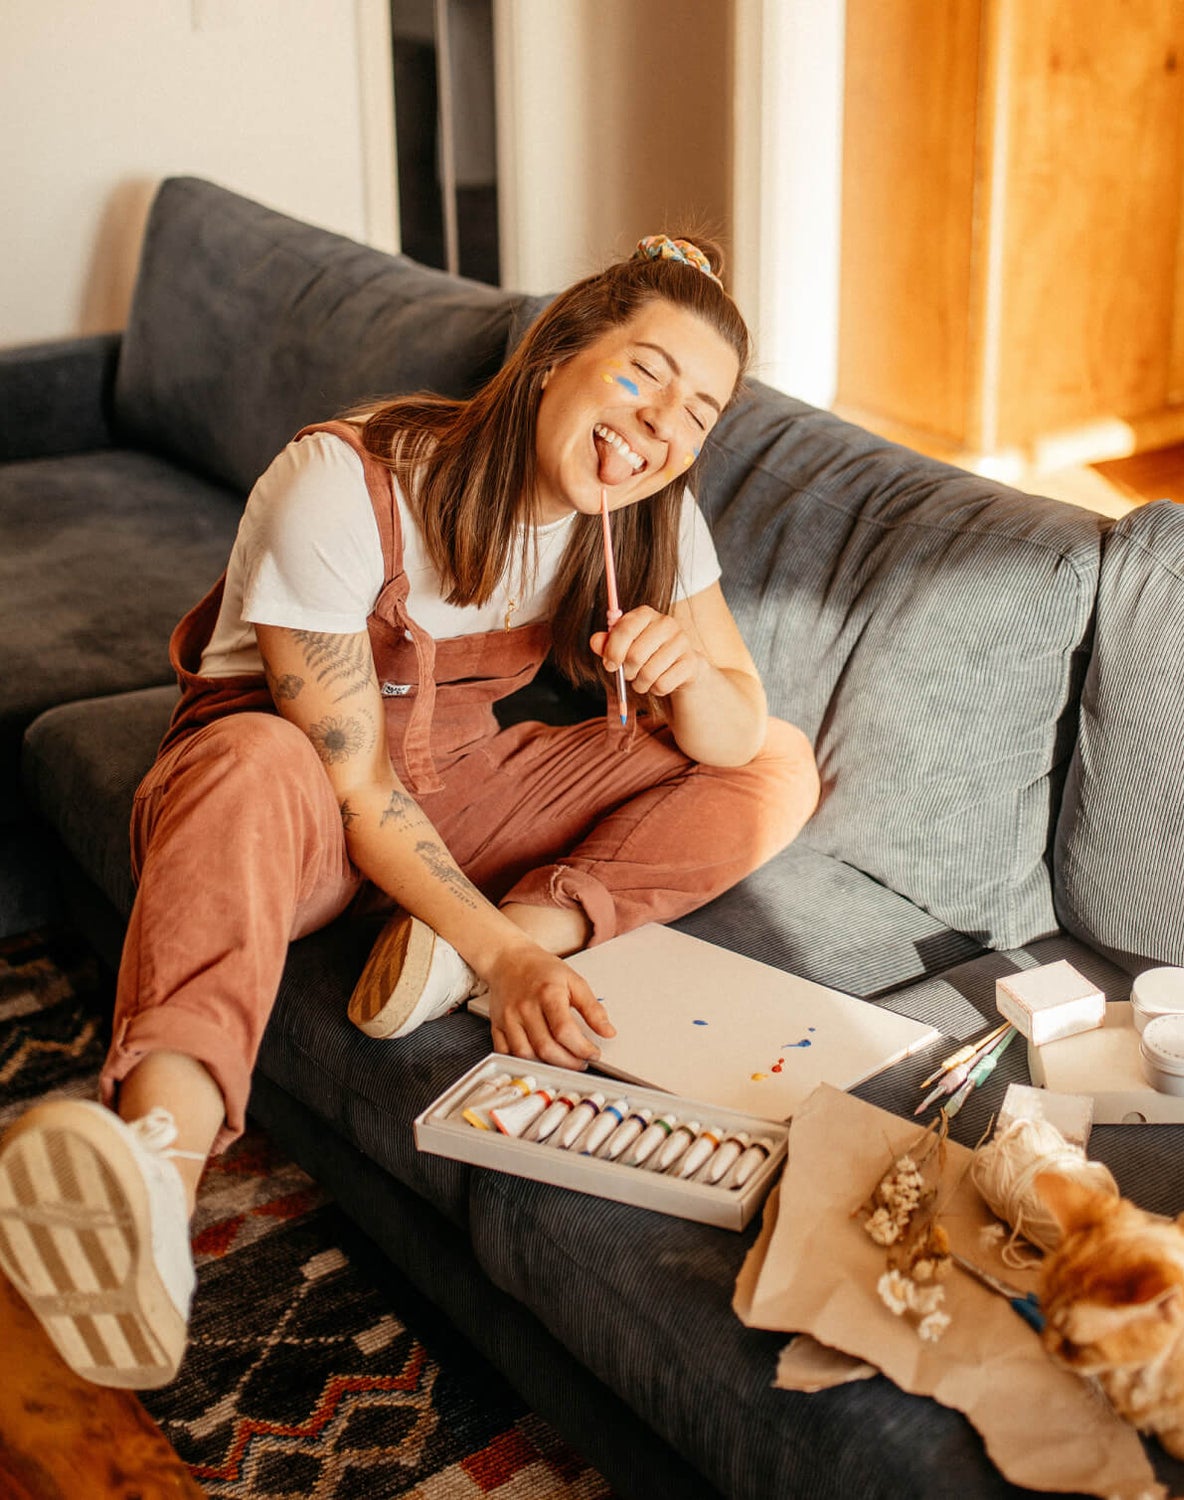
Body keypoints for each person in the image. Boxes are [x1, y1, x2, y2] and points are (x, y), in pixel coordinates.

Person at [0, 234, 820, 1390]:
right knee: (249, 763)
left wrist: (689, 675)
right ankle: (156, 1175)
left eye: (699, 412)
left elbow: (741, 732)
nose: (661, 428)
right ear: (556, 356)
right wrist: (500, 952)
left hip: (467, 782)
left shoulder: (652, 511)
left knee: (778, 761)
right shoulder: (343, 482)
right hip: (308, 801)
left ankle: (478, 948)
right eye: (644, 374)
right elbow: (360, 787)